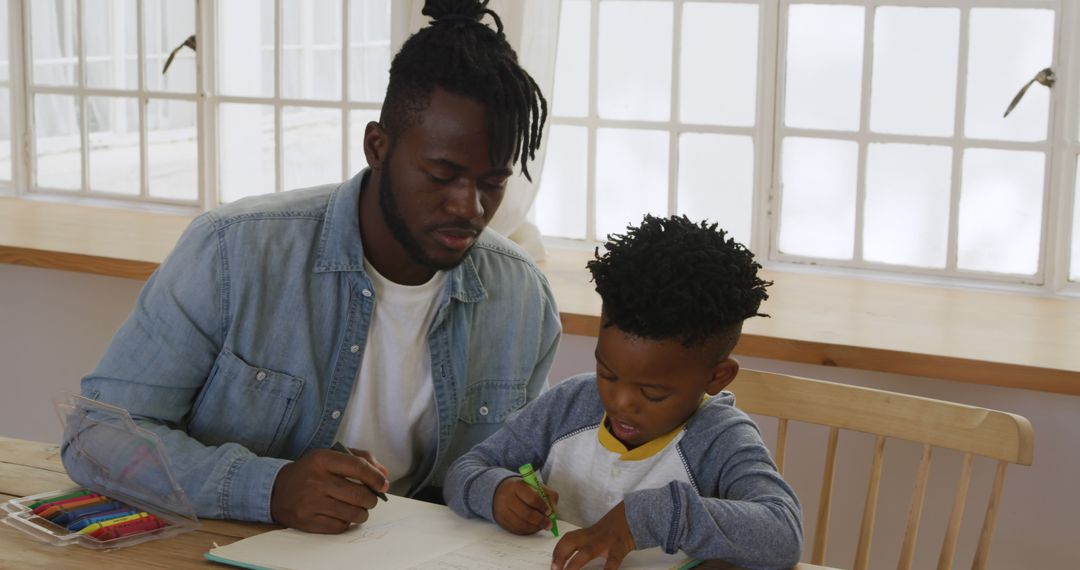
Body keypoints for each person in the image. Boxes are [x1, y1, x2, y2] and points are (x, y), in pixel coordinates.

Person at [62, 0, 560, 535]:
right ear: (378, 146)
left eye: (492, 182)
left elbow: (509, 466)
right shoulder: (233, 254)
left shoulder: (521, 297)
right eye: (443, 175)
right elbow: (96, 437)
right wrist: (270, 489)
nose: (470, 207)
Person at [445, 215, 803, 570]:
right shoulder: (568, 406)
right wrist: (495, 491)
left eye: (653, 393)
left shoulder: (719, 439)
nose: (620, 402)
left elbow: (783, 533)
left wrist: (650, 516)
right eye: (608, 374)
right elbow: (466, 469)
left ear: (717, 377)